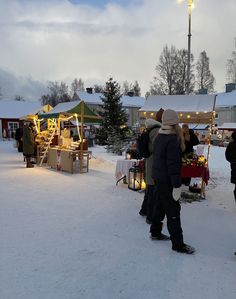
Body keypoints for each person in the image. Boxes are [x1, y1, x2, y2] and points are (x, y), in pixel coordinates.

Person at [150, 109, 195, 254]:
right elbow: (173, 167)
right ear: (174, 124)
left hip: (158, 178)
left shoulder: (159, 137)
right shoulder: (172, 140)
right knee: (173, 210)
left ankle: (155, 232)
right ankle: (178, 244)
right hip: (167, 181)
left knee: (160, 205)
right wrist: (176, 185)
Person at [139, 108, 164, 223]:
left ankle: (144, 211)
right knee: (153, 192)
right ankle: (150, 217)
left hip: (151, 162)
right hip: (153, 163)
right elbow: (155, 147)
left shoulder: (153, 129)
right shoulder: (157, 130)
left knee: (150, 190)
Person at [225, 131, 236, 203]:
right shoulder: (231, 144)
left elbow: (227, 156)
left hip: (234, 167)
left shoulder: (231, 144)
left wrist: (233, 161)